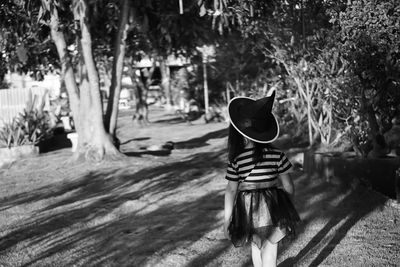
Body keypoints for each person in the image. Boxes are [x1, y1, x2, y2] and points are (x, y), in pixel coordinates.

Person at [223, 92, 300, 267]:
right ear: (265, 132)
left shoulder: (237, 160)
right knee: (271, 245)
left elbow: (231, 190)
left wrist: (227, 220)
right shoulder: (277, 155)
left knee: (256, 244)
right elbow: (288, 185)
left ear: (242, 134)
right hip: (274, 205)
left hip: (248, 208)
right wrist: (287, 206)